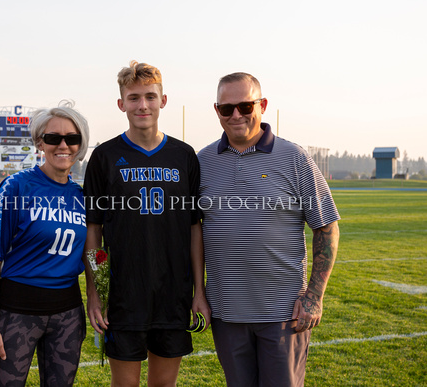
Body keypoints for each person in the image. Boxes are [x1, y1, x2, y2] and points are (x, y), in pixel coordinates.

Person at [197, 72, 340, 387]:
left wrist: (314, 296)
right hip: (225, 313)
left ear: (262, 105)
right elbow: (192, 232)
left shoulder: (294, 157)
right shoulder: (203, 161)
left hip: (283, 313)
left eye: (245, 106)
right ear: (217, 110)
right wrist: (198, 293)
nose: (236, 115)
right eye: (226, 108)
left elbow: (326, 226)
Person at [83, 61, 211, 387]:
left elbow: (194, 227)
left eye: (150, 97)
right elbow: (94, 230)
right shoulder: (105, 157)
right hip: (124, 293)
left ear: (163, 100)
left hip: (173, 292)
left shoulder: (184, 156)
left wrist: (199, 290)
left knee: (163, 385)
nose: (143, 105)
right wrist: (95, 292)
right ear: (121, 104)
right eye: (134, 98)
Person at [0, 100, 90, 387]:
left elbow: (93, 254)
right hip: (17, 313)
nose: (63, 146)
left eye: (72, 138)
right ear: (40, 143)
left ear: (80, 145)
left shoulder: (83, 197)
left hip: (68, 315)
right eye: (53, 138)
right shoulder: (16, 186)